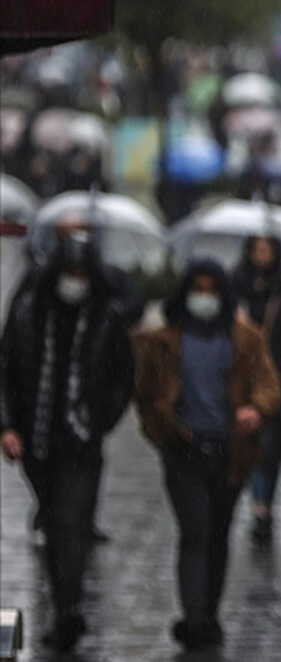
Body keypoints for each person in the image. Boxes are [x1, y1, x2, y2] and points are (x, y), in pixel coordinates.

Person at [134, 258, 281, 650]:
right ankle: (194, 617)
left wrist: (256, 410)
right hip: (183, 451)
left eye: (210, 289)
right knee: (195, 531)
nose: (203, 297)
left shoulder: (244, 338)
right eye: (196, 289)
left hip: (229, 453)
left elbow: (269, 384)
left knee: (217, 534)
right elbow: (146, 393)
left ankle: (209, 611)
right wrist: (161, 432)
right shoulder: (166, 340)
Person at [0, 232, 134, 651]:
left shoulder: (106, 319)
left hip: (81, 443)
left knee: (71, 525)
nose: (75, 281)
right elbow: (5, 373)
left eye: (82, 273)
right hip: (36, 441)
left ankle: (67, 608)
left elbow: (122, 378)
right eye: (69, 272)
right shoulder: (26, 314)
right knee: (56, 523)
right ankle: (63, 602)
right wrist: (7, 426)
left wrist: (98, 421)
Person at [230, 236, 281, 547]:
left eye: (268, 250)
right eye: (257, 250)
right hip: (241, 379)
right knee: (248, 442)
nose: (262, 256)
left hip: (275, 379)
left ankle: (263, 507)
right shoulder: (234, 286)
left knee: (270, 449)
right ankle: (258, 504)